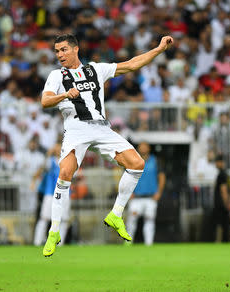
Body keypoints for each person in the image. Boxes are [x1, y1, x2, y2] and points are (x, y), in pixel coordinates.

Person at [41, 33, 173, 257]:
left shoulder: (95, 69)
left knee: (137, 163)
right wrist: (65, 95)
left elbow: (131, 65)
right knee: (65, 173)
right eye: (56, 51)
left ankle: (116, 213)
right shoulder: (57, 75)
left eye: (63, 49)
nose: (59, 54)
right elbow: (45, 101)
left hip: (101, 127)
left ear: (75, 49)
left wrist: (159, 50)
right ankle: (54, 232)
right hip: (76, 128)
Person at [126, 142, 166, 245]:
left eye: (145, 146)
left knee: (149, 221)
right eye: (141, 146)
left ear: (148, 148)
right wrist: (128, 192)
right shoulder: (132, 160)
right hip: (136, 197)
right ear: (138, 148)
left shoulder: (156, 161)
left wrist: (159, 193)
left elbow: (161, 177)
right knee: (131, 221)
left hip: (150, 197)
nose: (143, 148)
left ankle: (149, 244)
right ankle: (128, 243)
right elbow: (127, 177)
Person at [33, 143, 71, 246]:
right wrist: (47, 155)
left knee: (64, 219)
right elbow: (40, 170)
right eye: (56, 148)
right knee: (44, 218)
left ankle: (60, 242)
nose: (58, 150)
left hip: (65, 193)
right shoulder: (50, 162)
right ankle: (37, 241)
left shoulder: (69, 161)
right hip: (50, 193)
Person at [212, 154, 230, 242]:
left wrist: (227, 203)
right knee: (226, 225)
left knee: (220, 226)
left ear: (220, 163)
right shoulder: (227, 175)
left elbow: (223, 189)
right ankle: (226, 241)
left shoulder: (221, 174)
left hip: (221, 205)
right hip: (226, 205)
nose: (216, 164)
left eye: (217, 162)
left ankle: (222, 241)